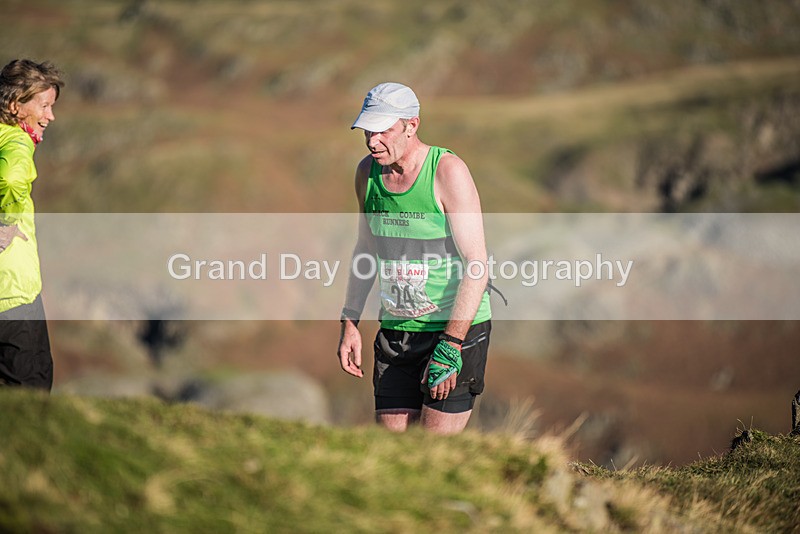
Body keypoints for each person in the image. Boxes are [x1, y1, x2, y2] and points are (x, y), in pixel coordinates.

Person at [337, 82, 492, 434]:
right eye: (367, 131)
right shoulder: (367, 173)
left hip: (454, 329)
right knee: (394, 455)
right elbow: (365, 249)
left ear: (412, 125)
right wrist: (350, 322)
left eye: (383, 131)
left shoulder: (447, 171)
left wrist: (451, 344)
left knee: (432, 454)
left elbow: (477, 264)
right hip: (395, 333)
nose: (372, 141)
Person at [0, 59, 64, 391]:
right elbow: (11, 180)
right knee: (30, 393)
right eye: (44, 106)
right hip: (13, 295)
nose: (50, 116)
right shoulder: (15, 142)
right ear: (15, 105)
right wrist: (7, 222)